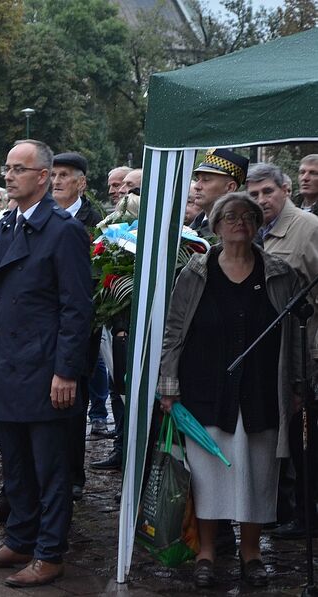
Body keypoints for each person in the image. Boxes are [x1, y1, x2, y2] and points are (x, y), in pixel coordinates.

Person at [158, 192, 299, 588]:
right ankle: (206, 551)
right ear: (216, 225)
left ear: (257, 226)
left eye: (248, 217)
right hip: (205, 387)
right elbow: (174, 331)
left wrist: (298, 386)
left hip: (261, 388)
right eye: (230, 216)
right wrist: (168, 385)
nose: (239, 222)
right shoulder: (196, 272)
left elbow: (296, 336)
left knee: (256, 471)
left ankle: (250, 552)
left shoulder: (279, 272)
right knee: (206, 476)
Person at [0, 139, 92, 588]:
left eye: (18, 169)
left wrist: (66, 370)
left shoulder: (64, 231)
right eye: (6, 167)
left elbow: (77, 308)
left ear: (42, 176)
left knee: (50, 469)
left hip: (45, 369)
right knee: (16, 465)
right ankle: (20, 540)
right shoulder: (5, 225)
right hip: (7, 365)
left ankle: (49, 552)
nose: (8, 175)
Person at [246, 162, 318, 540]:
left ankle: (308, 516)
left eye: (268, 192)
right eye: (254, 194)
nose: (261, 200)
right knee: (289, 436)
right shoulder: (253, 230)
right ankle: (292, 509)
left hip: (308, 351)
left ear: (285, 190)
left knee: (307, 438)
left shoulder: (307, 229)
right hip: (272, 354)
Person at [50, 151, 104, 500]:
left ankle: (72, 474)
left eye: (65, 175)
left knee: (73, 401)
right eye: (53, 174)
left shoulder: (95, 222)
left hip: (79, 326)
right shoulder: (43, 215)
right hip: (44, 326)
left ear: (81, 182)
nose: (56, 181)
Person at [189, 148, 249, 237]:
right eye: (198, 179)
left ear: (230, 188)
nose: (197, 186)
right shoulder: (196, 224)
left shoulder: (241, 230)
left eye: (206, 180)